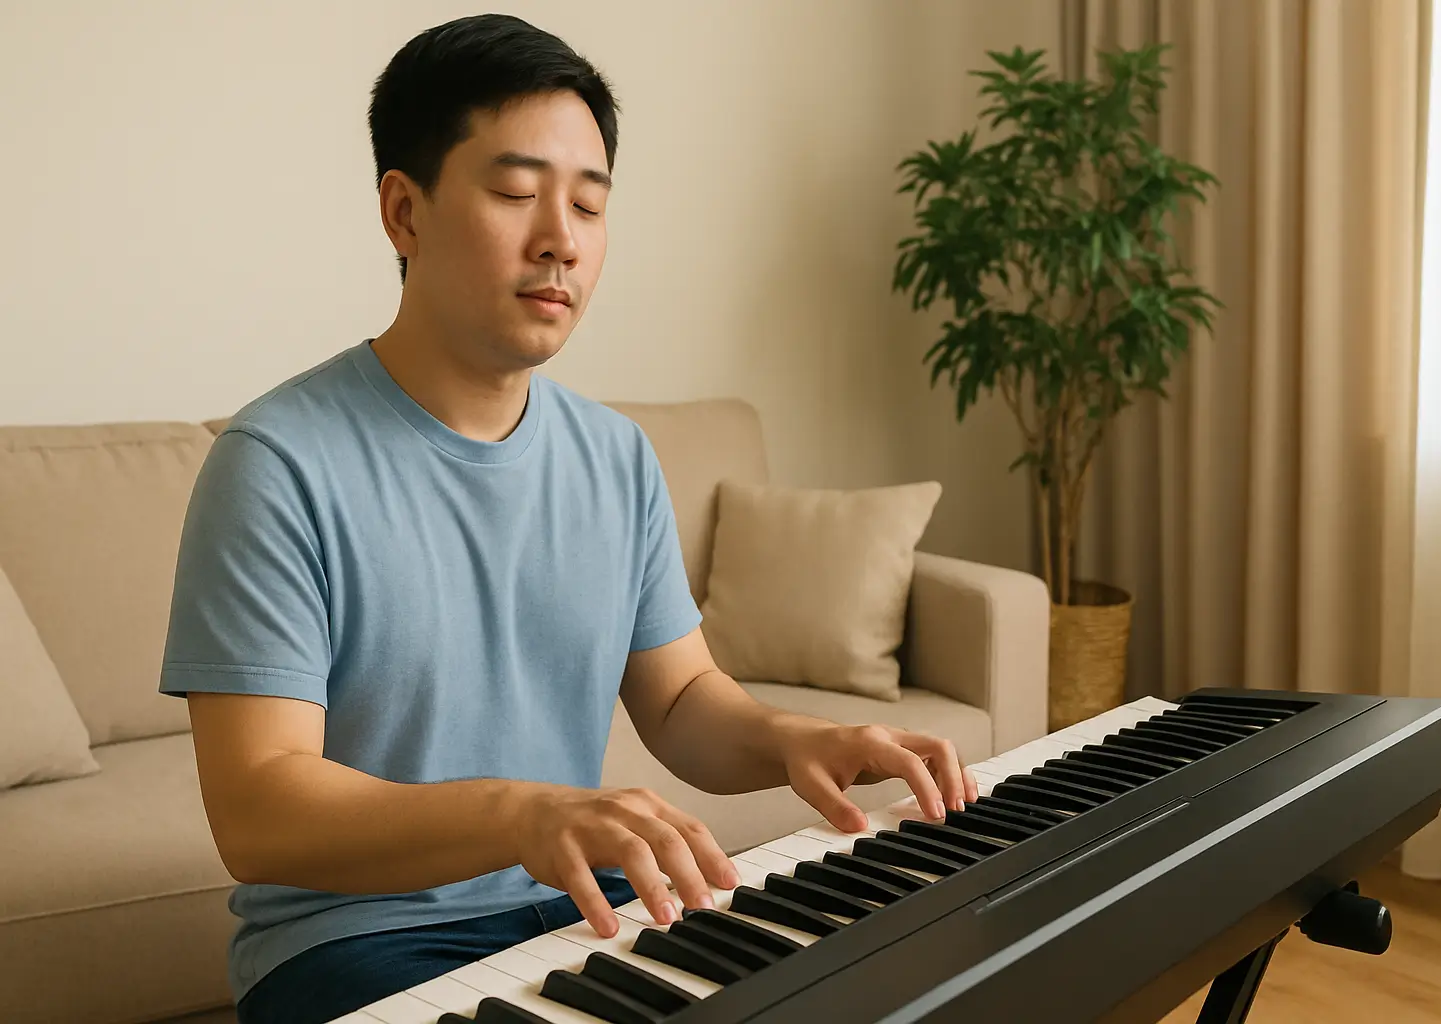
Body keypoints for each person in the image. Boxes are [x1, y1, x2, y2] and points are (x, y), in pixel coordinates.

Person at [159, 13, 976, 1024]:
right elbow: (259, 811)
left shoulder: (614, 455)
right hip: (353, 944)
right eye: (514, 193)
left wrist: (799, 736)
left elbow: (680, 704)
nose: (561, 240)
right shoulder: (279, 463)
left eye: (589, 205)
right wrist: (523, 810)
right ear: (403, 213)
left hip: (578, 907)